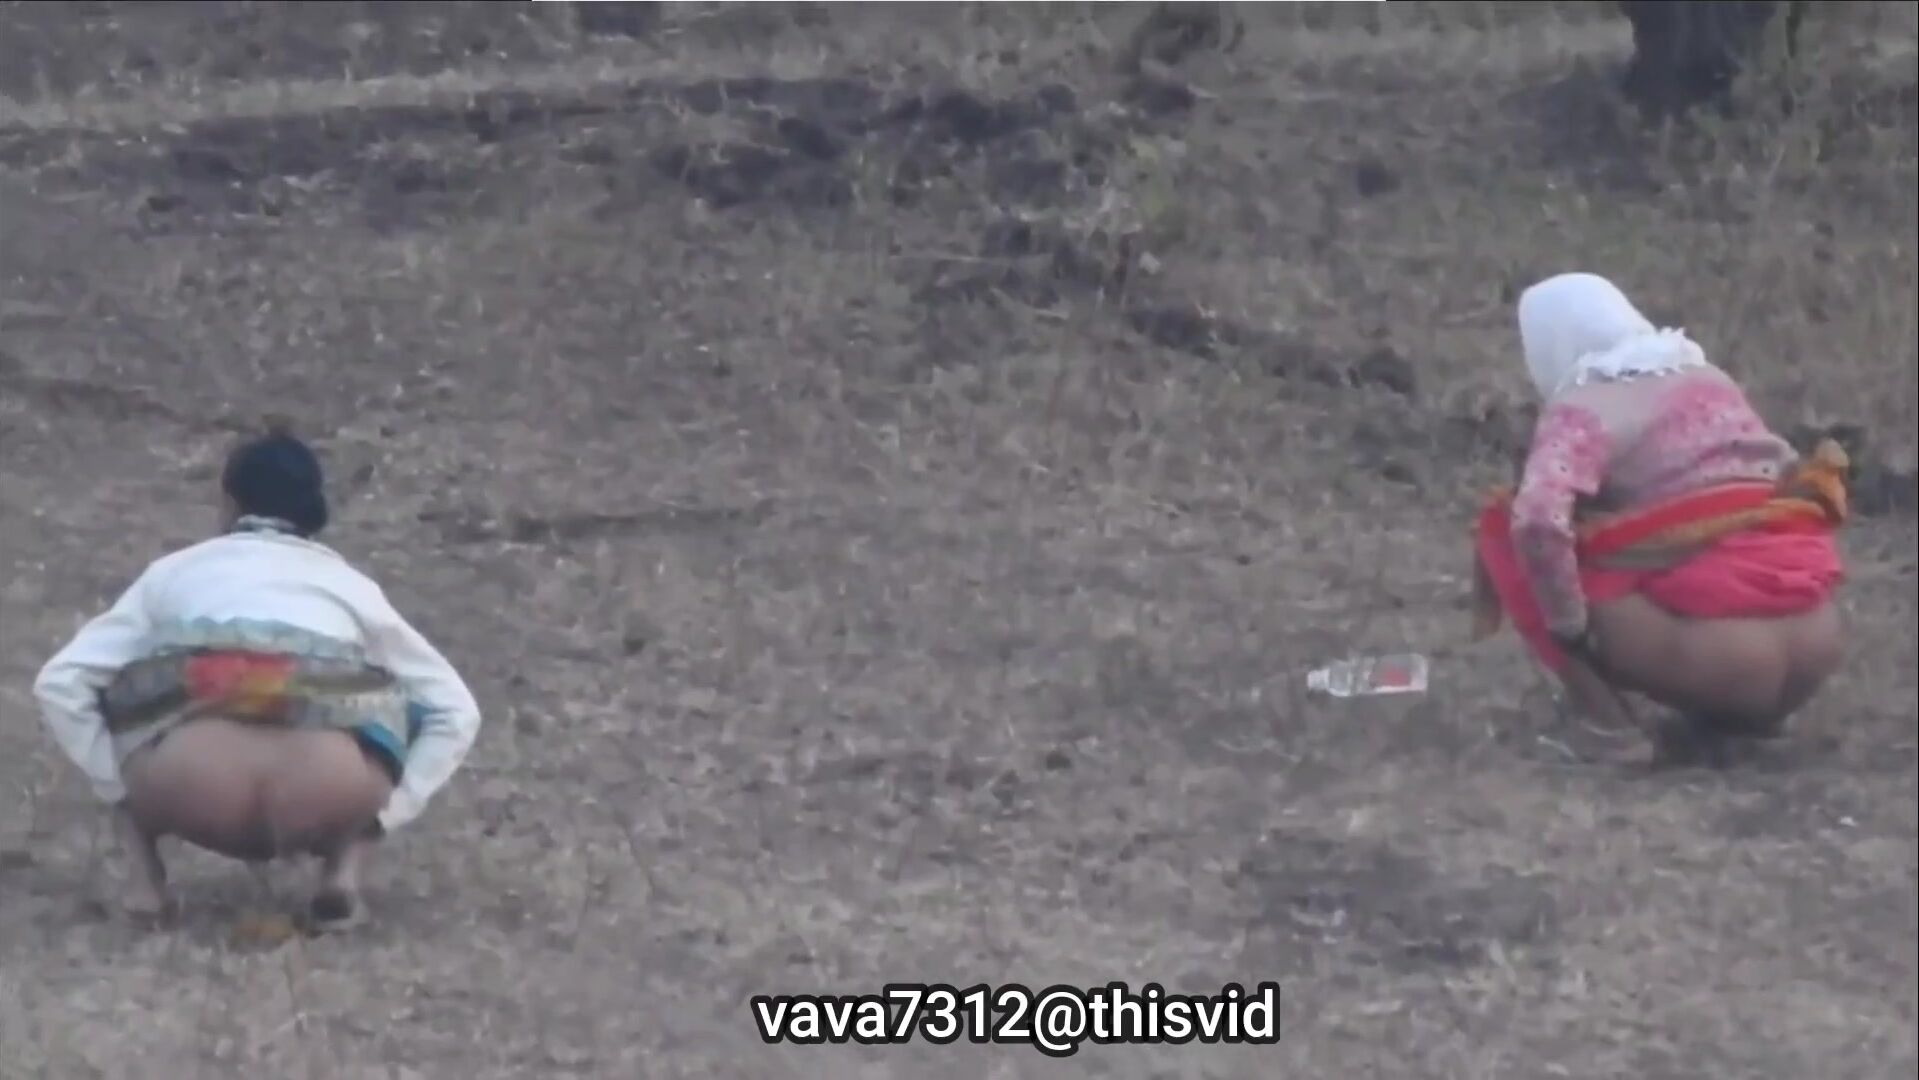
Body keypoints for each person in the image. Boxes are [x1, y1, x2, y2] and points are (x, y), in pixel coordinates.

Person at [33, 426, 482, 928]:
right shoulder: (352, 587)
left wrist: (116, 784)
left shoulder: (174, 573)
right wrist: (385, 815)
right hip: (326, 790)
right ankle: (343, 874)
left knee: (124, 704)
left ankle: (145, 886)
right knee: (390, 711)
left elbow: (62, 681)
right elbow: (455, 710)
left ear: (228, 503)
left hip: (192, 783)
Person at [1472, 272, 1848, 763]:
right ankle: (1745, 722)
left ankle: (1607, 727)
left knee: (1509, 530)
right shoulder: (1708, 379)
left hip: (1720, 659)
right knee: (1732, 525)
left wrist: (1569, 629)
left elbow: (1539, 518)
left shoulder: (1581, 407)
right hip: (1817, 641)